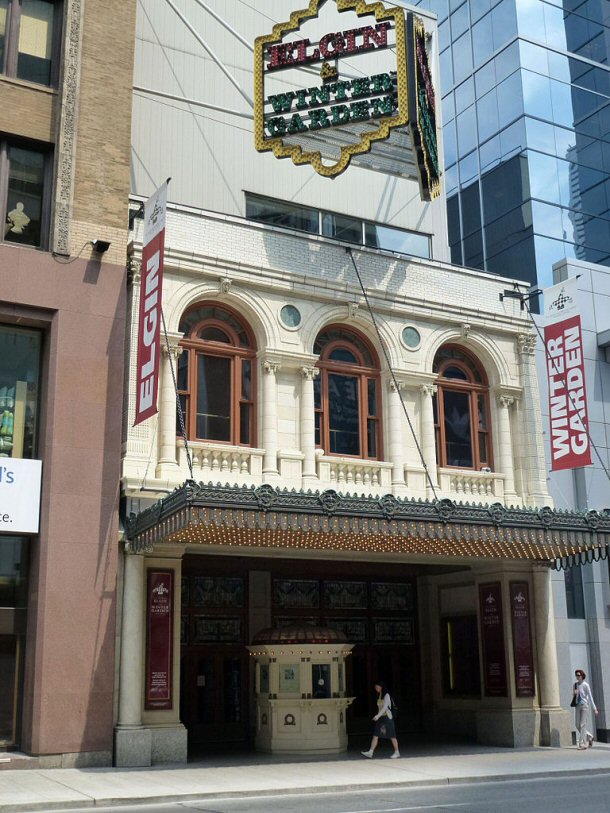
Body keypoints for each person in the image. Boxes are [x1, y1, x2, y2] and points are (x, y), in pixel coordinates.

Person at [361, 681, 400, 759]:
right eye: (375, 687)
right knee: (375, 735)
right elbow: (380, 708)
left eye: (377, 687)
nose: (376, 689)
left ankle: (397, 752)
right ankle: (370, 752)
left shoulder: (386, 695)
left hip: (387, 718)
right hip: (381, 718)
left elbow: (385, 707)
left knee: (392, 735)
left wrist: (377, 716)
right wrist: (378, 716)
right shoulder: (380, 695)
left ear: (381, 687)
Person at [573, 668, 598, 750]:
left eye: (578, 675)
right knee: (577, 724)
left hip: (584, 705)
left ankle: (582, 744)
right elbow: (574, 697)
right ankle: (590, 736)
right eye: (576, 675)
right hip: (577, 706)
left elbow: (590, 697)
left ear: (582, 676)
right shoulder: (575, 685)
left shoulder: (586, 685)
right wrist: (575, 693)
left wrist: (594, 708)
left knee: (582, 724)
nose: (577, 676)